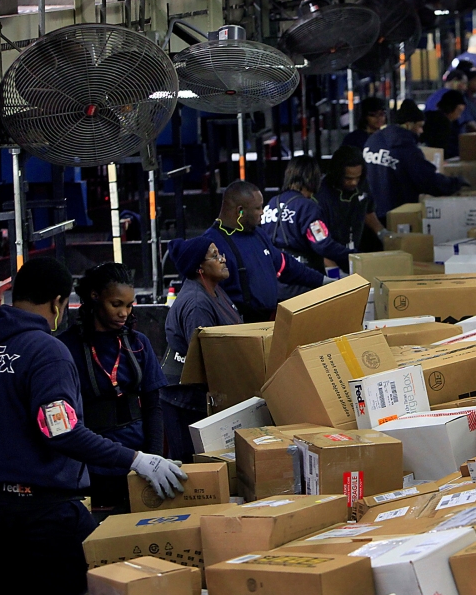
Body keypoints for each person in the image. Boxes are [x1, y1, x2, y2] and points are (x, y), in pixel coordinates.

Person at [0, 257, 184, 595]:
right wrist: (137, 459)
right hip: (44, 510)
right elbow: (62, 432)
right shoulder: (47, 350)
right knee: (109, 584)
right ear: (58, 302)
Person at [58, 263, 167, 512]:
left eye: (129, 306)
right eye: (116, 304)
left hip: (137, 460)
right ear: (95, 297)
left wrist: (154, 458)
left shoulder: (138, 343)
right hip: (89, 464)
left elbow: (153, 407)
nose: (124, 313)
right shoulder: (66, 348)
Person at [161, 236, 242, 463]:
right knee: (193, 467)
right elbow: (206, 357)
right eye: (215, 256)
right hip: (185, 402)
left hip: (202, 396)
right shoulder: (197, 304)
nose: (223, 259)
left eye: (220, 254)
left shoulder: (215, 290)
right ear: (199, 267)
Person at [207, 180, 327, 322]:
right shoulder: (212, 244)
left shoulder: (258, 234)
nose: (262, 212)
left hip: (269, 321)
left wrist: (324, 281)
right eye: (258, 208)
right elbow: (207, 296)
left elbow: (287, 266)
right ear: (240, 211)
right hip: (240, 326)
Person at [264, 156, 352, 298]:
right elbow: (323, 245)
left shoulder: (272, 203)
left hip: (274, 284)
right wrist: (353, 256)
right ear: (313, 179)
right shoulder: (307, 207)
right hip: (304, 283)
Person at [364, 99, 465, 220]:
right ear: (409, 124)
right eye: (420, 126)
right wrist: (455, 183)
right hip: (397, 214)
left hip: (370, 215)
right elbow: (428, 180)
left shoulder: (373, 140)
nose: (421, 131)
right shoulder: (405, 147)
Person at [315, 145, 387, 252]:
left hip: (354, 249)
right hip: (331, 253)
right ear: (337, 173)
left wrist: (382, 233)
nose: (354, 182)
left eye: (357, 177)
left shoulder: (362, 184)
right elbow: (320, 240)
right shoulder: (321, 195)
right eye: (348, 178)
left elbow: (368, 211)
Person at [421, 89, 467, 159]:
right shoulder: (443, 123)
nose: (459, 116)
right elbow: (442, 150)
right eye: (459, 111)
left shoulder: (428, 116)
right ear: (450, 107)